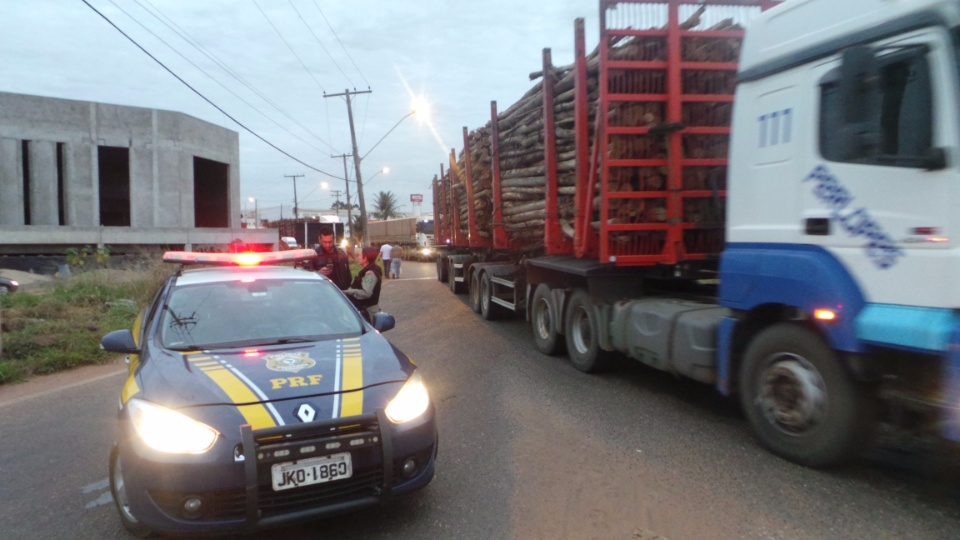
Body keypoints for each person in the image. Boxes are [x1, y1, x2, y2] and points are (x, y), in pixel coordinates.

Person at [344, 247, 382, 323]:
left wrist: (349, 292)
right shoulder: (366, 272)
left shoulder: (370, 274)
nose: (358, 257)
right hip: (363, 310)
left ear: (365, 258)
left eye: (360, 255)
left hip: (368, 312)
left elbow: (366, 293)